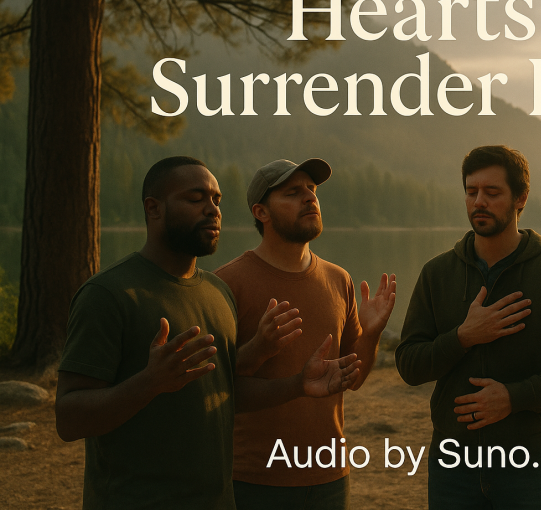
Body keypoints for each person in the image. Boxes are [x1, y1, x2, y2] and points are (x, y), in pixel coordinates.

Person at [55, 156, 361, 510]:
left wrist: (295, 383)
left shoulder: (217, 293)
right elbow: (68, 419)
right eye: (195, 198)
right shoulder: (109, 294)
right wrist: (149, 382)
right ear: (153, 208)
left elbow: (225, 392)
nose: (212, 210)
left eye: (217, 200)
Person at [395, 145, 541, 509]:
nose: (479, 201)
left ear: (521, 198)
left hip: (533, 461)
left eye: (492, 192)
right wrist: (463, 337)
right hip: (453, 462)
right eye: (471, 191)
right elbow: (410, 364)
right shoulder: (437, 273)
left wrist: (513, 397)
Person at [214, 158, 396, 510]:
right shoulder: (228, 283)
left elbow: (353, 379)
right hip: (254, 478)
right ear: (261, 212)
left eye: (311, 190)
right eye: (293, 192)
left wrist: (371, 335)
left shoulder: (339, 279)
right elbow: (215, 386)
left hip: (330, 477)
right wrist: (259, 347)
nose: (309, 198)